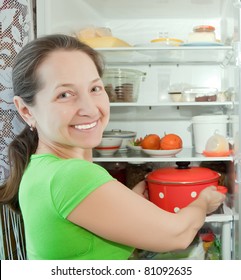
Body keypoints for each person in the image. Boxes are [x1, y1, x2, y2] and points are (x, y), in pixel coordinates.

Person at [0, 34, 225, 260]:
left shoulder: (39, 167)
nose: (89, 109)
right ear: (26, 110)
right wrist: (203, 202)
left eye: (95, 88)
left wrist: (129, 201)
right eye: (65, 94)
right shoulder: (72, 176)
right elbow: (178, 234)